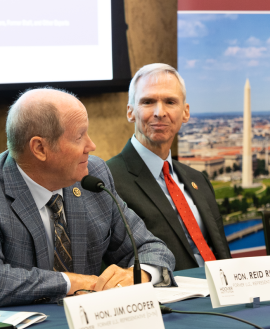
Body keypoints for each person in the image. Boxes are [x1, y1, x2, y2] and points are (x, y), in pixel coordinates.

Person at [0, 88, 175, 307]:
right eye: (79, 136)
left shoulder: (94, 175)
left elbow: (152, 247)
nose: (91, 146)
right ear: (40, 148)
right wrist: (69, 282)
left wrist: (138, 275)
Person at [107, 63, 231, 278]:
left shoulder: (197, 179)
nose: (159, 112)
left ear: (185, 112)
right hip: (169, 303)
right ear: (130, 112)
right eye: (148, 102)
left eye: (170, 102)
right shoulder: (108, 181)